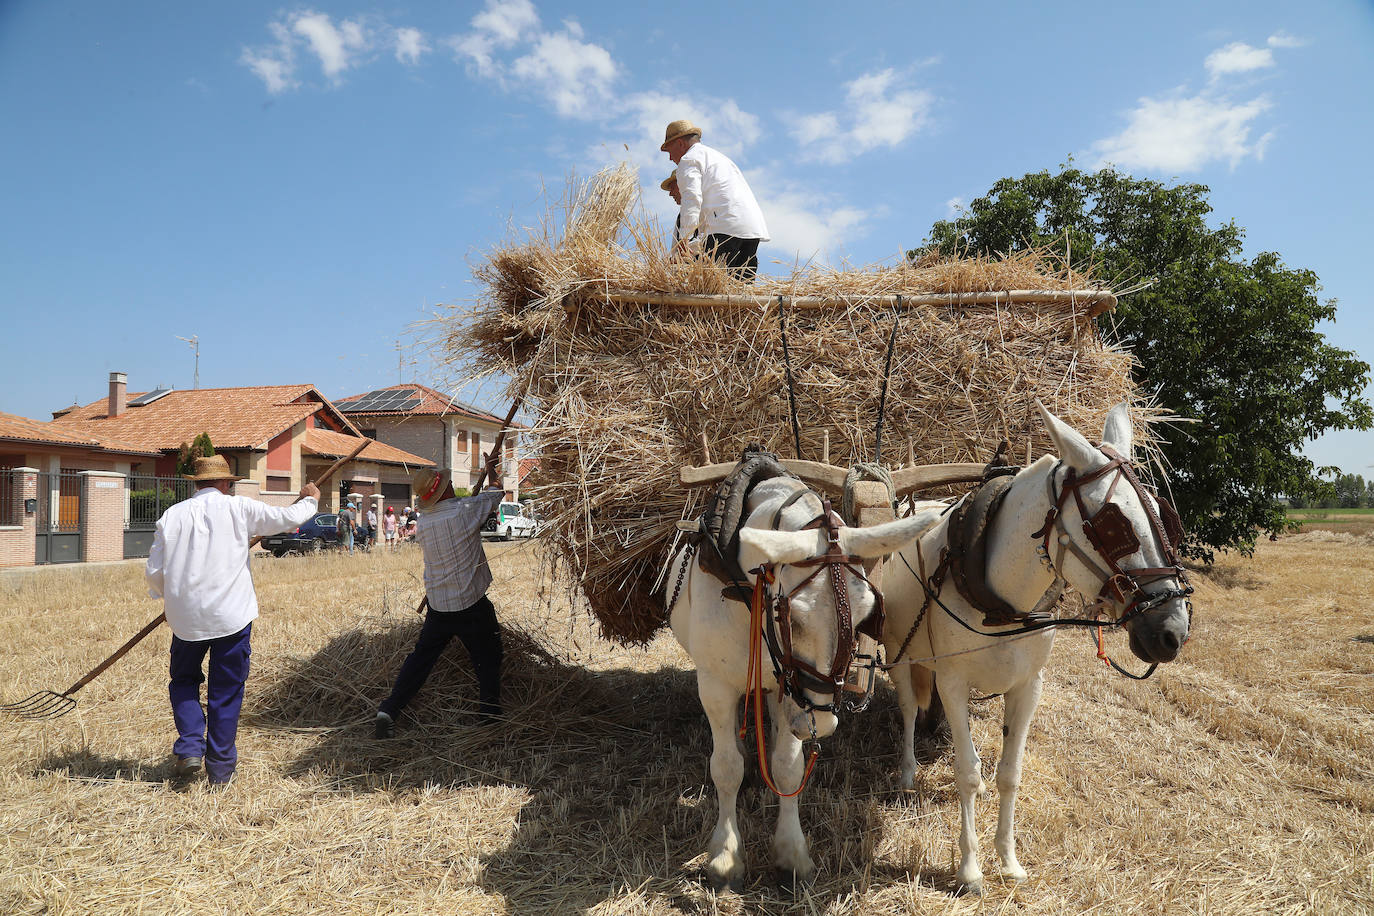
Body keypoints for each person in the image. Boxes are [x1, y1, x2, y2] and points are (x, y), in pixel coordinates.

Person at [145, 455, 319, 785]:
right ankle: (221, 769)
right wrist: (311, 498)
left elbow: (154, 571)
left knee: (184, 681)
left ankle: (190, 747)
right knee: (225, 691)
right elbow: (286, 518)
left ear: (195, 483)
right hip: (231, 617)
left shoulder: (172, 516)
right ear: (225, 483)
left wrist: (169, 600)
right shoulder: (240, 508)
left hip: (186, 619)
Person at [375, 468, 505, 737]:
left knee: (421, 659)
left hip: (439, 604)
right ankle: (489, 714)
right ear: (445, 488)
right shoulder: (465, 510)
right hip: (471, 604)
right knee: (488, 654)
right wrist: (493, 471)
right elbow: (495, 493)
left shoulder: (425, 523)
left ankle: (390, 708)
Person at [660, 119, 769, 281]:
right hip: (752, 229)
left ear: (681, 144)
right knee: (739, 292)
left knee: (705, 289)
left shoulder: (689, 159)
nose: (670, 158)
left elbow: (691, 198)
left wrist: (684, 238)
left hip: (724, 228)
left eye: (669, 151)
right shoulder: (718, 157)